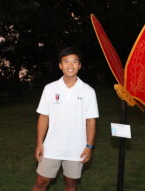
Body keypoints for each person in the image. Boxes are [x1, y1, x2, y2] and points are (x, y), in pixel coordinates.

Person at [32, 47, 99, 191]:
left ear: (79, 65)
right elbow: (43, 117)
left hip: (77, 148)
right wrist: (39, 143)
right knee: (41, 182)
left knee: (70, 183)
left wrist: (89, 146)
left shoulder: (88, 91)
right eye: (66, 62)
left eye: (75, 62)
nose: (70, 65)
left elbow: (91, 121)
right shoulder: (50, 88)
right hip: (52, 146)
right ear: (60, 66)